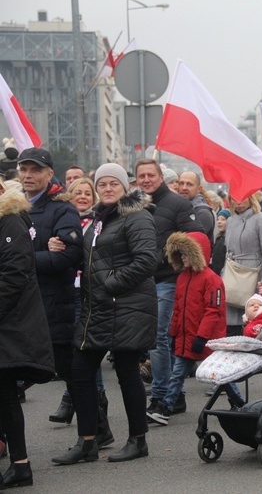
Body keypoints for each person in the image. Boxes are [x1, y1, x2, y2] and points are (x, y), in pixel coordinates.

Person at [53, 164, 157, 465]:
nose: (108, 189)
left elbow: (147, 260)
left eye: (114, 183)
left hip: (127, 306)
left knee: (127, 373)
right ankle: (87, 442)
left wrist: (109, 284)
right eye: (103, 184)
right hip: (99, 307)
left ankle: (138, 440)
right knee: (81, 371)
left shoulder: (136, 217)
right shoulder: (97, 220)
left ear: (125, 187)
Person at [17, 148, 83, 432]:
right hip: (20, 303)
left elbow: (66, 257)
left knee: (68, 370)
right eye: (24, 169)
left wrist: (22, 259)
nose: (28, 175)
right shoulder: (13, 206)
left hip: (54, 304)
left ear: (48, 173)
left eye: (35, 170)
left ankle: (96, 429)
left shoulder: (62, 208)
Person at [135, 159, 204, 414]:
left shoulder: (178, 203)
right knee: (159, 339)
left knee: (159, 338)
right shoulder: (134, 204)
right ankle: (176, 395)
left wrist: (170, 256)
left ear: (160, 176)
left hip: (168, 280)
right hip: (142, 281)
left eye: (150, 175)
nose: (146, 180)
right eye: (141, 175)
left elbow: (196, 235)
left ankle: (163, 395)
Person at [48, 178, 113, 447]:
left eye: (88, 193)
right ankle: (79, 406)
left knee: (84, 354)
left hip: (88, 294)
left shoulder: (97, 222)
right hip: (66, 293)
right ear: (69, 197)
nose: (84, 197)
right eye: (78, 193)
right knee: (70, 358)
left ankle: (97, 415)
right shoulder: (62, 221)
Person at [0, 179, 55, 489]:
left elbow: (14, 274)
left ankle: (21, 466)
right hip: (8, 320)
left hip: (10, 323)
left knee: (5, 395)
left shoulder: (10, 219)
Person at [147, 231, 226, 426]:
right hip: (186, 338)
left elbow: (213, 311)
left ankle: (239, 403)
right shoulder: (182, 278)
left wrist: (202, 337)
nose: (182, 257)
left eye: (185, 253)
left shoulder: (212, 279)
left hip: (204, 339)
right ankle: (166, 408)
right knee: (177, 375)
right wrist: (174, 334)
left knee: (221, 376)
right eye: (179, 254)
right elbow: (178, 308)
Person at [225, 193, 262, 336]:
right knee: (231, 328)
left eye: (243, 196)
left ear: (251, 197)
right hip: (232, 277)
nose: (239, 201)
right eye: (234, 198)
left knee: (253, 325)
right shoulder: (230, 221)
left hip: (254, 277)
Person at [178, 171, 215, 244]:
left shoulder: (203, 213)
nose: (184, 188)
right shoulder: (179, 207)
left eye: (189, 184)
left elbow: (190, 242)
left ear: (199, 189)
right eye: (181, 183)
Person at [210, 209, 230, 276]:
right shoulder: (218, 238)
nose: (219, 222)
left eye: (223, 219)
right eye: (218, 219)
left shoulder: (229, 239)